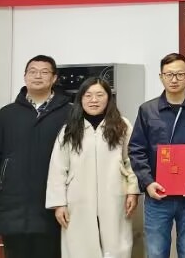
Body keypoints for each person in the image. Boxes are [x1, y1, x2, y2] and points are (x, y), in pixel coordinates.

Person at [0, 54, 71, 258]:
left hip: (53, 201)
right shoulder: (7, 114)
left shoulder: (69, 113)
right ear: (25, 76)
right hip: (14, 202)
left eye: (44, 72)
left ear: (54, 78)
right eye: (32, 71)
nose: (38, 76)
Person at [128, 53, 185, 258]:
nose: (174, 79)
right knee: (156, 253)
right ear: (161, 77)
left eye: (179, 74)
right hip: (157, 196)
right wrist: (148, 182)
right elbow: (136, 149)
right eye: (169, 74)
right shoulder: (148, 110)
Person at [46, 77, 140, 258]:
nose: (94, 100)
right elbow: (58, 168)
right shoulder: (69, 129)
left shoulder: (122, 125)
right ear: (80, 98)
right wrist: (59, 204)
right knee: (79, 246)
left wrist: (132, 191)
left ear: (108, 98)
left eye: (99, 95)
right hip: (77, 200)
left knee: (116, 245)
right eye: (88, 95)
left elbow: (131, 161)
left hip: (115, 196)